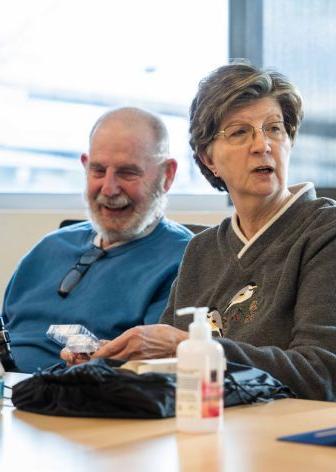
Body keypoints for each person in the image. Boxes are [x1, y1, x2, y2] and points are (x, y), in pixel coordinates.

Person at [87, 63, 336, 406]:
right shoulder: (201, 250)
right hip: (235, 430)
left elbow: (320, 376)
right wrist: (109, 363)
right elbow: (169, 368)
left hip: (333, 437)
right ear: (208, 159)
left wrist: (189, 347)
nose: (262, 145)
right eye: (240, 132)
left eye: (274, 129)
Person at [2, 107, 193, 372]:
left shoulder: (186, 260)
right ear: (84, 166)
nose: (109, 188)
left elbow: (150, 373)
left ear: (167, 175)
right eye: (98, 170)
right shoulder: (49, 248)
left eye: (128, 172)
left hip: (79, 401)